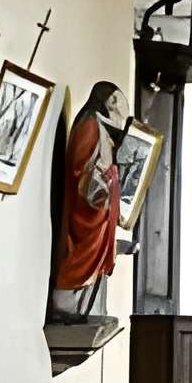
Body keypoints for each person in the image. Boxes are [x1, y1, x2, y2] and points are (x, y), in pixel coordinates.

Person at [50, 81, 124, 322]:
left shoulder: (101, 125)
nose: (115, 108)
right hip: (88, 211)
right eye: (112, 101)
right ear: (102, 100)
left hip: (99, 210)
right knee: (81, 254)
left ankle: (81, 308)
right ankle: (66, 302)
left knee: (93, 259)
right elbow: (80, 169)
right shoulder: (90, 125)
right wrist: (107, 180)